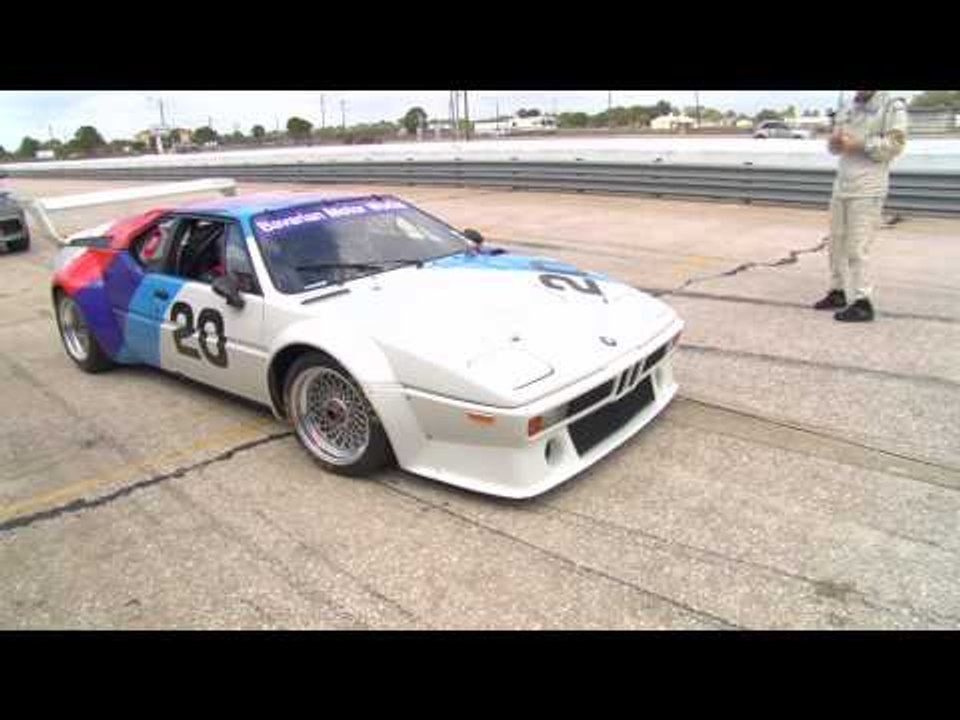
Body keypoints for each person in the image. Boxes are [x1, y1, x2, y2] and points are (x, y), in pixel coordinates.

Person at [813, 90, 908, 322]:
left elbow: (895, 145)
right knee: (836, 241)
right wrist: (834, 142)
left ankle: (862, 302)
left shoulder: (892, 105)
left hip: (868, 186)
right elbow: (835, 148)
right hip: (843, 184)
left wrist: (861, 145)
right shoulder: (848, 106)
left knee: (857, 246)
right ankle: (837, 291)